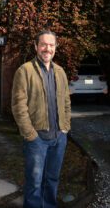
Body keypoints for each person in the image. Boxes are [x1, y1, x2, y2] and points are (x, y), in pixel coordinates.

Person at [11, 30, 71, 208]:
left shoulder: (60, 72)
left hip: (59, 137)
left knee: (52, 179)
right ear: (36, 46)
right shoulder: (25, 71)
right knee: (34, 182)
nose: (47, 48)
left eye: (51, 45)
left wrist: (65, 127)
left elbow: (66, 101)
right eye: (44, 44)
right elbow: (18, 106)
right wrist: (30, 134)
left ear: (55, 48)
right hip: (37, 139)